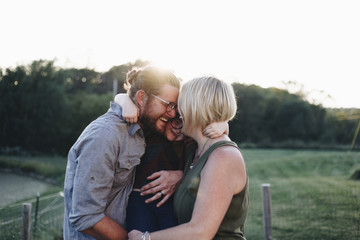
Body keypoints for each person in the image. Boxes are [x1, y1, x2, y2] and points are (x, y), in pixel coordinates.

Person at [63, 65, 182, 240]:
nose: (172, 113)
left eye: (175, 106)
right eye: (168, 105)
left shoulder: (143, 128)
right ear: (141, 97)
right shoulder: (105, 136)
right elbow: (86, 216)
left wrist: (180, 176)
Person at [129, 76, 250, 240]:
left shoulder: (224, 157)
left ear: (196, 108)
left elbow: (200, 232)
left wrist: (145, 238)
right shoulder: (194, 149)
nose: (176, 112)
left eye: (181, 105)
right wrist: (123, 100)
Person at [114, 94, 229, 233]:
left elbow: (213, 141)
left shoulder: (189, 142)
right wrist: (126, 102)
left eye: (182, 124)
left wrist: (224, 124)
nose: (177, 129)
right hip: (140, 199)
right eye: (173, 121)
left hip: (170, 201)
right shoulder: (153, 130)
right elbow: (121, 96)